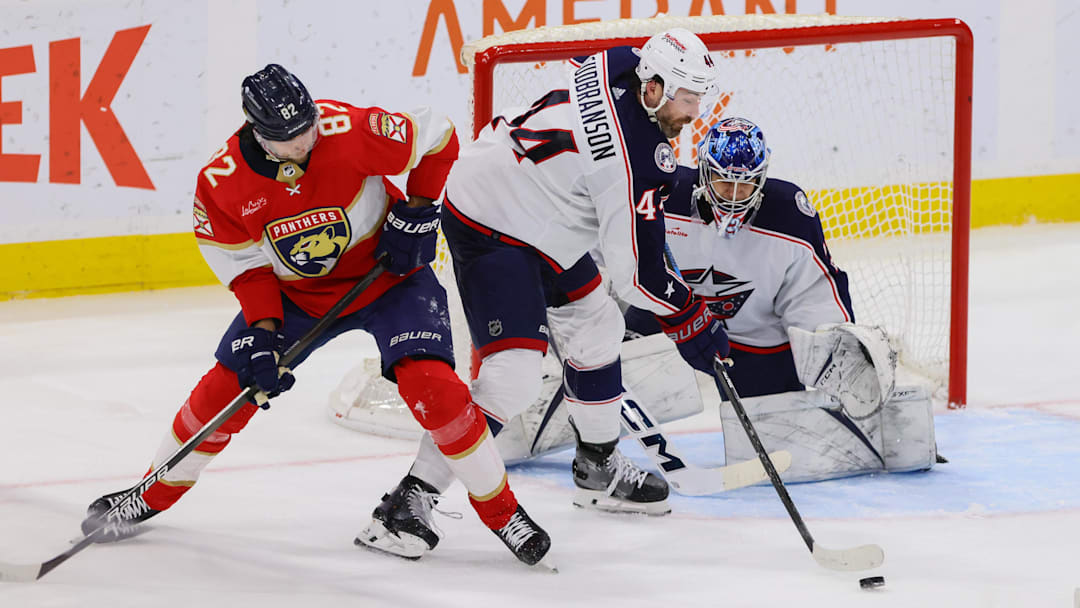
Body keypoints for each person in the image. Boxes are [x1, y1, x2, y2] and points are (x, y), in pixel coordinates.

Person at [79, 64, 552, 567]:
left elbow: (438, 135)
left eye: (307, 126)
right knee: (227, 389)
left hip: (391, 280)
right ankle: (151, 494)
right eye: (287, 138)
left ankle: (503, 514)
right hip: (296, 298)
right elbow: (245, 266)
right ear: (255, 132)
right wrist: (262, 334)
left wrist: (417, 209)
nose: (304, 141)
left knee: (434, 387)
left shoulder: (349, 129)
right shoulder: (221, 183)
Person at [355, 28, 730, 560]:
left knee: (598, 326)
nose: (696, 111)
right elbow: (638, 279)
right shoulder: (634, 161)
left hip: (536, 204)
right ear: (654, 87)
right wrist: (691, 318)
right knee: (512, 378)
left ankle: (597, 468)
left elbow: (610, 153)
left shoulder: (622, 60)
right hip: (489, 222)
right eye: (689, 99)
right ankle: (406, 504)